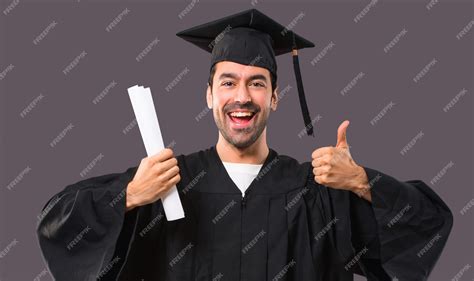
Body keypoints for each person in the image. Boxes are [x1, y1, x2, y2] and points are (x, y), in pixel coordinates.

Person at [36, 9, 453, 281]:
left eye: (257, 82)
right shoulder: (167, 182)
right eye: (228, 82)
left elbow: (428, 224)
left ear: (274, 98)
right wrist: (128, 197)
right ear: (208, 96)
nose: (242, 96)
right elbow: (56, 223)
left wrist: (363, 182)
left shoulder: (316, 192)